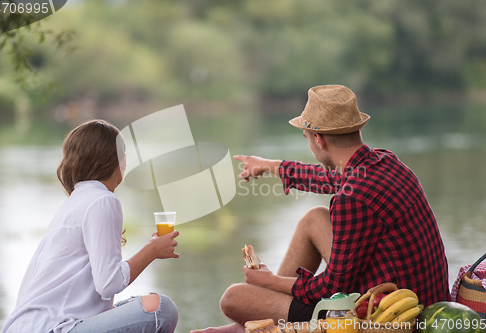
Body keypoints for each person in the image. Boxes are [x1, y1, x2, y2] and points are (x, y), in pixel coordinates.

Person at [192, 85, 450, 333]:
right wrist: (270, 165)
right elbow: (328, 177)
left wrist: (270, 281)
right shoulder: (385, 162)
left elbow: (332, 287)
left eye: (307, 138)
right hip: (424, 298)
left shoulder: (352, 199)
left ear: (318, 139)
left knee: (233, 298)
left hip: (386, 316)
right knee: (315, 218)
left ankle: (255, 318)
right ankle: (256, 318)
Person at [2, 120, 180, 333]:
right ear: (119, 160)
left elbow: (96, 289)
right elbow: (109, 284)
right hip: (52, 328)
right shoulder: (102, 200)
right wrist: (151, 251)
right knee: (161, 309)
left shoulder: (77, 199)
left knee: (128, 307)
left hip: (27, 327)